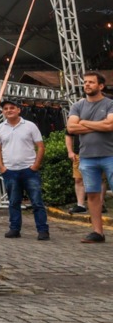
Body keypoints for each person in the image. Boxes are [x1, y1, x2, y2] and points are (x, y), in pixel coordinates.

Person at [65, 71, 113, 244]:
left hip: (110, 155)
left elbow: (110, 125)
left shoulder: (109, 104)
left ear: (100, 86)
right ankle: (97, 232)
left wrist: (83, 123)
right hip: (87, 157)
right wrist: (99, 125)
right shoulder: (77, 106)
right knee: (92, 195)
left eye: (91, 82)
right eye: (85, 82)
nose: (87, 85)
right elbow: (71, 128)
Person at [0, 99, 49, 240]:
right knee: (13, 202)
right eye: (5, 108)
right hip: (10, 171)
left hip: (29, 170)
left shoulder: (30, 126)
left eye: (12, 108)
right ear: (3, 112)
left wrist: (35, 166)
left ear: (19, 110)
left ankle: (43, 230)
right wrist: (2, 167)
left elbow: (41, 146)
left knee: (37, 202)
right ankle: (14, 229)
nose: (9, 110)